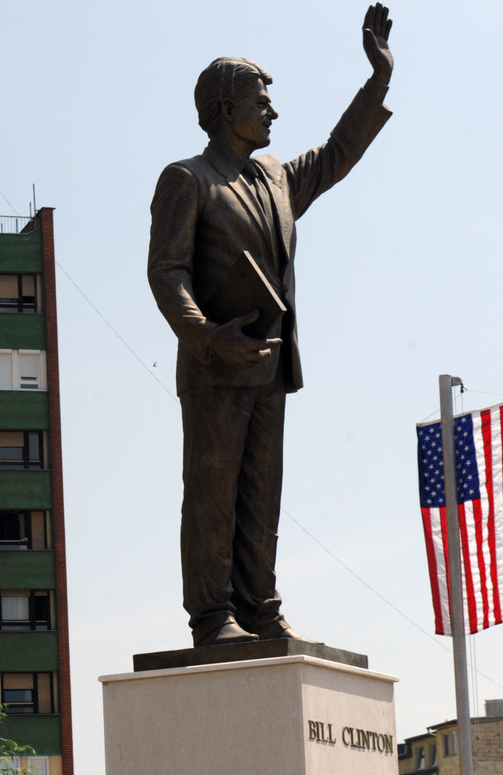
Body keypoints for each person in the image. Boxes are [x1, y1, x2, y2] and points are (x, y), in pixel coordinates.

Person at [147, 4, 395, 646]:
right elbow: (167, 272)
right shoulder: (187, 179)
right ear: (225, 108)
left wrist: (378, 81)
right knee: (212, 494)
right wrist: (205, 338)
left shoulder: (279, 179)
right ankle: (212, 616)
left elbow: (339, 153)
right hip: (215, 364)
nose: (273, 113)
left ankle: (260, 606)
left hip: (269, 364)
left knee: (262, 497)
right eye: (261, 101)